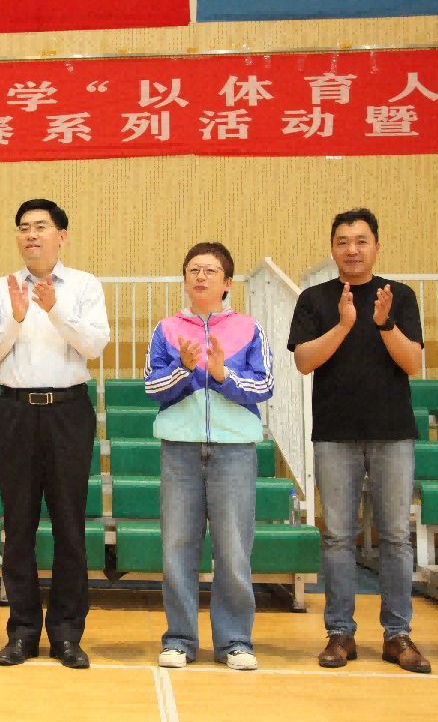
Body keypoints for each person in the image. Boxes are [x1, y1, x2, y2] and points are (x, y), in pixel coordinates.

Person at [287, 208, 431, 674]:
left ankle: (397, 634)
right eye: (343, 241)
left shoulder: (399, 296)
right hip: (335, 433)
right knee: (337, 537)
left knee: (395, 536)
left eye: (361, 241)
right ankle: (339, 632)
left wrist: (384, 323)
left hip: (393, 433)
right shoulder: (314, 298)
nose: (352, 249)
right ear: (332, 248)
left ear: (376, 246)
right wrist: (345, 325)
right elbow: (304, 361)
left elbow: (412, 363)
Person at [0, 199, 109, 670]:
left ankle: (67, 634)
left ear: (61, 236)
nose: (31, 235)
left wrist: (55, 311)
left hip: (68, 412)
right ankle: (23, 632)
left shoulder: (85, 286)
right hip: (14, 412)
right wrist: (14, 318)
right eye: (23, 228)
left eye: (40, 227)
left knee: (70, 526)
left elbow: (95, 344)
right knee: (18, 527)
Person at [145, 242, 274, 671]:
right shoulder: (166, 328)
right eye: (193, 270)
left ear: (227, 282)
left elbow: (264, 385)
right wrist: (183, 369)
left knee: (233, 550)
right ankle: (179, 639)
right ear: (185, 280)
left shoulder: (249, 328)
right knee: (177, 548)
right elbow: (152, 387)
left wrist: (222, 375)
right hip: (179, 449)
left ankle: (235, 640)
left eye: (210, 270)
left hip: (234, 450)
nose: (201, 276)